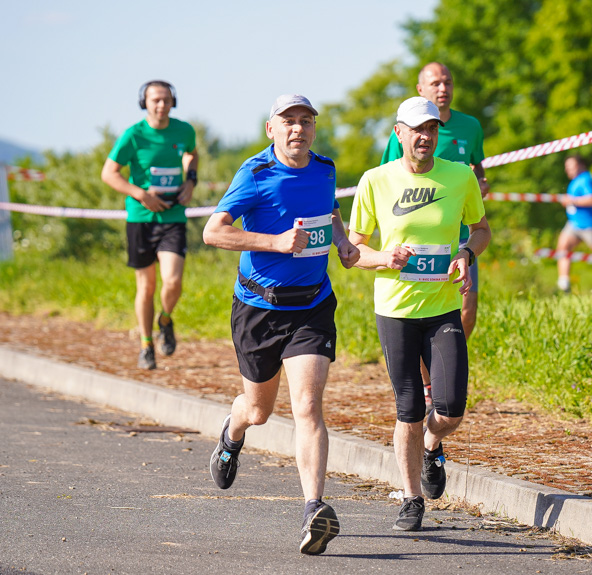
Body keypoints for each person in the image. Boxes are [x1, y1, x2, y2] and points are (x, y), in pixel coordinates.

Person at [202, 94, 359, 555]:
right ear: (271, 129)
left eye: (306, 121)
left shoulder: (325, 169)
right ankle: (233, 433)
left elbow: (327, 212)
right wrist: (274, 241)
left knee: (308, 405)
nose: (298, 129)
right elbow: (214, 231)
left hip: (312, 305)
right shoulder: (253, 173)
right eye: (288, 121)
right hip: (258, 308)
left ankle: (314, 509)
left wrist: (343, 240)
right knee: (260, 411)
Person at [349, 96, 491, 531]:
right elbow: (353, 250)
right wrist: (384, 257)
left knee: (450, 411)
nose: (424, 136)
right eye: (416, 129)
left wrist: (466, 252)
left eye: (430, 128)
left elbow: (481, 230)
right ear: (399, 134)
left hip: (442, 307)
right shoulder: (375, 180)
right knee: (408, 408)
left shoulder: (460, 176)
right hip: (395, 310)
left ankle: (433, 445)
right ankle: (411, 499)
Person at [381, 61, 489, 409]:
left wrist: (479, 183)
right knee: (420, 318)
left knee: (466, 310)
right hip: (414, 245)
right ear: (420, 89)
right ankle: (429, 385)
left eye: (448, 82)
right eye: (435, 83)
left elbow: (477, 165)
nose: (443, 88)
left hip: (456, 240)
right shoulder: (404, 132)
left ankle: (441, 374)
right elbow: (389, 176)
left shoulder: (470, 126)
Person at [102, 80, 198, 370]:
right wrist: (141, 194)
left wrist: (190, 180)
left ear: (173, 102)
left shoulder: (184, 130)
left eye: (166, 99)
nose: (161, 105)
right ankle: (146, 344)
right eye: (155, 99)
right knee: (146, 286)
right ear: (144, 103)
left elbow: (191, 153)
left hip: (173, 216)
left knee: (173, 281)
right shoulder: (133, 135)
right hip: (141, 219)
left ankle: (165, 319)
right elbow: (109, 173)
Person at [555, 154, 592, 292]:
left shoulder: (586, 179)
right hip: (573, 223)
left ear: (581, 165)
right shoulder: (575, 181)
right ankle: (564, 282)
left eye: (571, 167)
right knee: (563, 247)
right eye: (567, 168)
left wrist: (572, 201)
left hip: (589, 225)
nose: (568, 170)